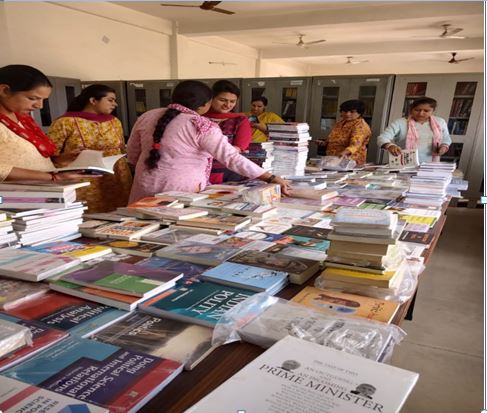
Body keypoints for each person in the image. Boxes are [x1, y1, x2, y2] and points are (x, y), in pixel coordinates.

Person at [127, 80, 290, 203]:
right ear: (205, 104)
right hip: (180, 191)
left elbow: (132, 155)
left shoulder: (147, 116)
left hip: (144, 187)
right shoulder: (201, 125)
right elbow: (231, 158)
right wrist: (270, 177)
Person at [48, 84, 133, 212]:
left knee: (119, 210)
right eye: (110, 100)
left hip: (116, 175)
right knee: (88, 211)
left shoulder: (114, 121)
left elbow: (121, 147)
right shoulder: (65, 122)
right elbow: (50, 153)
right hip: (85, 177)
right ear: (93, 101)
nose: (114, 104)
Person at [0, 64, 88, 182]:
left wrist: (58, 160)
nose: (39, 106)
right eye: (33, 98)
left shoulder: (24, 120)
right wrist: (52, 177)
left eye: (42, 100)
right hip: (14, 197)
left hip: (39, 192)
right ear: (4, 91)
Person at [377, 97, 451, 164]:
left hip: (431, 164)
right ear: (411, 109)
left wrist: (443, 147)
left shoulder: (440, 122)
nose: (421, 113)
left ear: (433, 111)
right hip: (404, 162)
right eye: (417, 110)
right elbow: (382, 138)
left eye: (426, 111)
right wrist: (390, 146)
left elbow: (446, 138)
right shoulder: (400, 122)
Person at [204, 80, 252, 183]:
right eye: (222, 100)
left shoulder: (240, 120)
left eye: (232, 101)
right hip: (198, 170)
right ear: (211, 99)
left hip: (229, 172)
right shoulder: (198, 118)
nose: (227, 105)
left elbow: (239, 147)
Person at [315, 99, 371, 165]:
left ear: (359, 113)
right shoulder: (340, 123)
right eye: (345, 111)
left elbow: (355, 145)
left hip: (350, 161)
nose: (347, 114)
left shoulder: (360, 126)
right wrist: (324, 143)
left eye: (352, 112)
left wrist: (344, 152)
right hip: (334, 159)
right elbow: (333, 139)